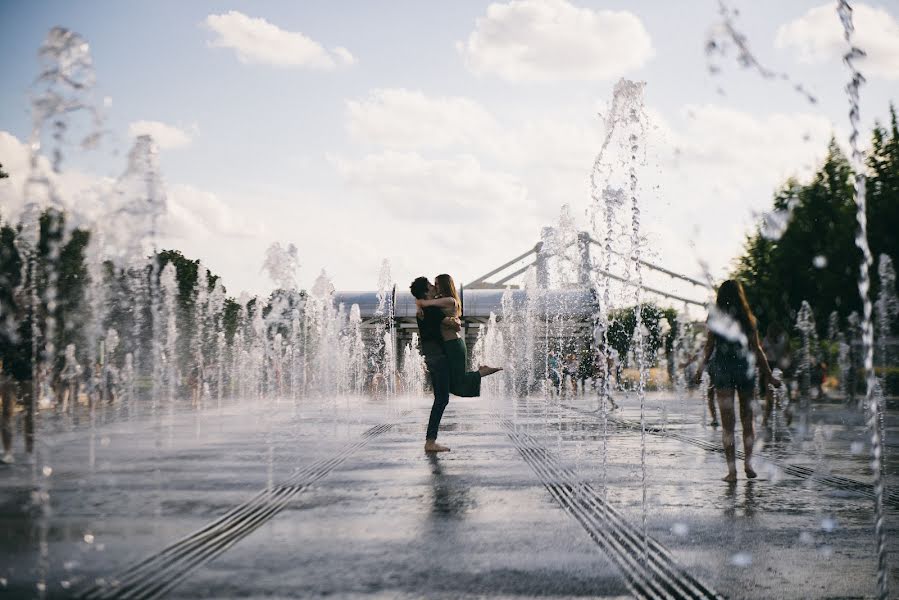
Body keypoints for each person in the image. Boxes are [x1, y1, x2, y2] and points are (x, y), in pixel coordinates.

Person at [696, 279, 779, 482]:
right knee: (747, 421)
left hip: (723, 370)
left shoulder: (715, 318)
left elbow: (709, 347)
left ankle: (732, 472)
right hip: (745, 370)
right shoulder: (747, 319)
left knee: (728, 425)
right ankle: (748, 464)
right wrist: (769, 374)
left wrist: (699, 370)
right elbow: (757, 349)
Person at [415, 274, 501, 397]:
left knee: (458, 382)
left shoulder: (449, 300)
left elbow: (424, 302)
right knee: (452, 384)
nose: (435, 286)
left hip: (454, 344)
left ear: (445, 285)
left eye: (437, 283)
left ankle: (482, 372)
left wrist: (419, 305)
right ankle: (481, 371)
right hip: (448, 345)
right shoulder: (441, 300)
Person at [410, 276, 460, 453]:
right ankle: (430, 442)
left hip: (432, 356)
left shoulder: (424, 310)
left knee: (441, 398)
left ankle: (431, 440)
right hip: (438, 356)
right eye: (430, 285)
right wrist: (456, 321)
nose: (433, 287)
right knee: (441, 399)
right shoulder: (431, 311)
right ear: (426, 291)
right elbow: (454, 327)